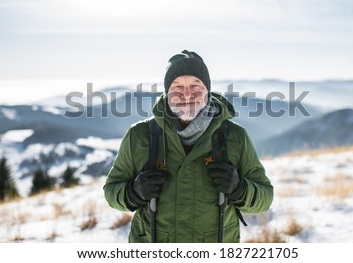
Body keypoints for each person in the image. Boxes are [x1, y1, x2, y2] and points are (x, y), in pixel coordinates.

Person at [103, 50, 273, 243]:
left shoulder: (234, 137)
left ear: (207, 90)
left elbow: (265, 197)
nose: (186, 94)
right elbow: (111, 191)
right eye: (177, 86)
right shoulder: (140, 136)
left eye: (195, 85)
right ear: (167, 92)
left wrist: (240, 188)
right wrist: (133, 192)